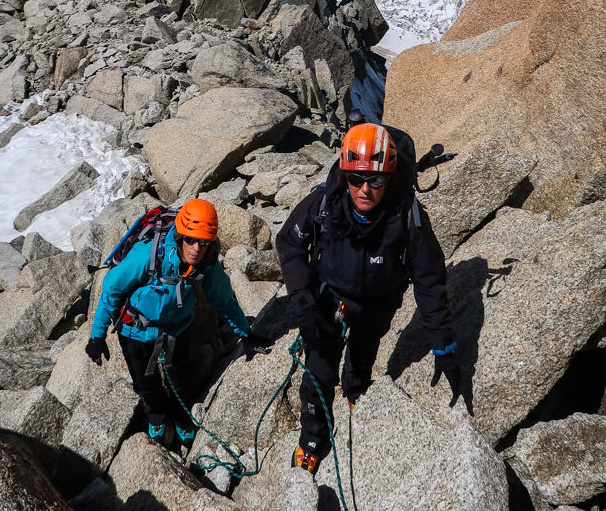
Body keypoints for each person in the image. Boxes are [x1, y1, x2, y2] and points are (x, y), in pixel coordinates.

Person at [276, 122, 460, 473]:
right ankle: (313, 439)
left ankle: (355, 391)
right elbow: (289, 242)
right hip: (326, 302)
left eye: (375, 180)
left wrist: (443, 344)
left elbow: (429, 279)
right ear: (344, 174)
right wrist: (303, 301)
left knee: (362, 357)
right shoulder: (325, 203)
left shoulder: (406, 217)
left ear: (389, 178)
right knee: (317, 373)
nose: (364, 189)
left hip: (377, 304)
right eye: (356, 179)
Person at [85, 197, 268, 451]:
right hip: (134, 331)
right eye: (190, 240)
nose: (196, 248)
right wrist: (97, 336)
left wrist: (245, 333)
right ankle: (157, 418)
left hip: (176, 329)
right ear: (180, 236)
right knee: (145, 383)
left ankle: (182, 419)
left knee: (180, 380)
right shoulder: (148, 254)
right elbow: (111, 289)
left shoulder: (207, 261)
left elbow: (224, 300)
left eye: (203, 243)